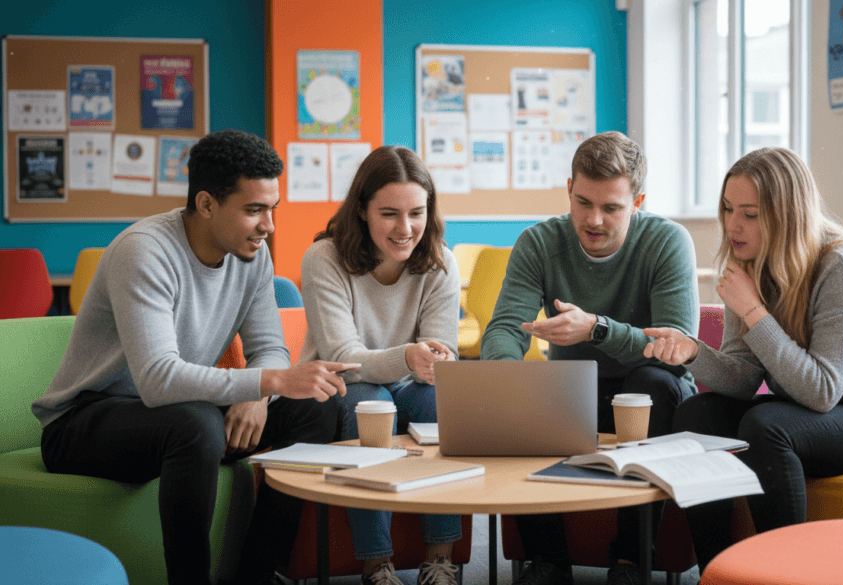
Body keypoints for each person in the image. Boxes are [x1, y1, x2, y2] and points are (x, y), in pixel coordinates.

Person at [31, 129, 356, 585]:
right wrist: (269, 383)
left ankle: (255, 575)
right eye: (253, 210)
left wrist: (257, 397)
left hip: (175, 416)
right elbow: (157, 379)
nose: (269, 226)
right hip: (84, 422)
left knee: (315, 409)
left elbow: (269, 346)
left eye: (272, 209)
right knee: (196, 423)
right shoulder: (143, 251)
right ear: (206, 204)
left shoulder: (252, 256)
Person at [643, 147, 843, 572]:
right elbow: (743, 379)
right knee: (696, 417)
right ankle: (719, 573)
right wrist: (693, 351)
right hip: (818, 414)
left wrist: (753, 312)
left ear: (789, 215)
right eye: (728, 209)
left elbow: (821, 391)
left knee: (766, 426)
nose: (733, 225)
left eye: (750, 213)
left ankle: (782, 576)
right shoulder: (750, 264)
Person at [481, 131, 700, 585]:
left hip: (651, 391)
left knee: (652, 386)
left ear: (638, 201)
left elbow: (675, 349)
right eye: (583, 202)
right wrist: (504, 373)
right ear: (568, 189)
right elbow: (505, 327)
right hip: (573, 391)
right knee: (521, 385)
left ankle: (630, 560)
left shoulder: (667, 241)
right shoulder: (539, 242)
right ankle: (548, 561)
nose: (593, 219)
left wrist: (597, 328)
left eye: (612, 208)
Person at [298, 145, 463, 585]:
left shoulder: (442, 261)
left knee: (436, 397)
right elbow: (343, 358)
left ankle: (440, 559)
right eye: (389, 213)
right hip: (339, 387)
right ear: (362, 210)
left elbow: (444, 345)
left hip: (408, 385)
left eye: (417, 213)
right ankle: (377, 565)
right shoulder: (324, 259)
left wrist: (440, 358)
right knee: (371, 401)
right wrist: (408, 356)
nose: (405, 228)